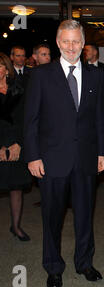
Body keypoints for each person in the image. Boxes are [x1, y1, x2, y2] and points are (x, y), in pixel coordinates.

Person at [24, 20, 104, 287]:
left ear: (83, 45)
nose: (71, 47)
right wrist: (33, 156)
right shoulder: (40, 75)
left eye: (76, 41)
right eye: (66, 41)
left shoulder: (96, 76)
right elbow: (31, 120)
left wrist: (101, 152)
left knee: (85, 215)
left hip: (85, 158)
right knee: (52, 217)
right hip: (51, 160)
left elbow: (99, 118)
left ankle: (84, 262)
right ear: (58, 43)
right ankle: (53, 267)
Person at [0, 53, 32, 241]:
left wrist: (18, 144)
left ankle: (16, 226)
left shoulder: (18, 89)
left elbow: (25, 119)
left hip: (16, 143)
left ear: (6, 68)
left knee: (16, 188)